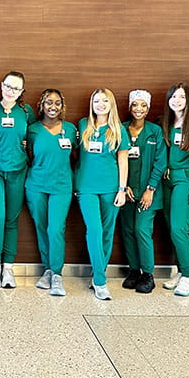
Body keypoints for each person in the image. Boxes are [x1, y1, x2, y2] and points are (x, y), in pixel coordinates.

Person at [0, 71, 36, 289]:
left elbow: (33, 137)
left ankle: (8, 268)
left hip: (17, 170)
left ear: (22, 91)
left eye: (16, 88)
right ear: (1, 85)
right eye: (8, 86)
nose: (11, 91)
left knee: (12, 220)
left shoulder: (26, 112)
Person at [75, 88, 129, 300]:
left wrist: (122, 189)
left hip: (111, 188)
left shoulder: (117, 130)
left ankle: (98, 273)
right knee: (95, 230)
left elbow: (123, 160)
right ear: (92, 104)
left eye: (105, 101)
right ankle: (100, 281)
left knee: (107, 233)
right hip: (86, 187)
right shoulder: (83, 125)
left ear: (111, 104)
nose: (100, 104)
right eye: (96, 101)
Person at [26, 89, 77, 296]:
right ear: (41, 105)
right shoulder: (32, 130)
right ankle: (47, 269)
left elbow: (77, 157)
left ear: (62, 106)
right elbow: (28, 156)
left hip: (62, 187)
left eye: (57, 103)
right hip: (36, 186)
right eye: (48, 102)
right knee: (41, 227)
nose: (53, 107)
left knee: (55, 228)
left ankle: (57, 274)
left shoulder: (71, 130)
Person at [160, 83, 189, 297]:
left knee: (180, 228)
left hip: (186, 180)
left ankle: (188, 277)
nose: (177, 101)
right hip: (166, 180)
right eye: (173, 97)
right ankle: (180, 271)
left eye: (181, 97)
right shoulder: (166, 123)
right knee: (172, 228)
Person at [118, 90, 166, 294]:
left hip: (148, 192)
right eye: (135, 105)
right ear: (129, 107)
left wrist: (150, 189)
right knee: (128, 231)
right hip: (127, 190)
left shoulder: (155, 131)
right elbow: (116, 158)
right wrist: (123, 185)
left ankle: (148, 274)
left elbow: (160, 161)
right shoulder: (121, 129)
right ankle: (134, 271)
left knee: (141, 230)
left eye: (143, 106)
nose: (139, 109)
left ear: (148, 108)